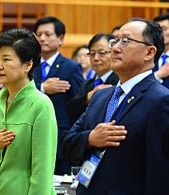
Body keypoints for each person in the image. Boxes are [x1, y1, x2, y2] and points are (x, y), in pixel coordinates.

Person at [61, 18, 169, 194]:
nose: (116, 48)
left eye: (125, 41)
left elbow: (159, 172)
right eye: (115, 41)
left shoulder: (161, 100)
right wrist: (90, 138)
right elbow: (68, 143)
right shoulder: (101, 96)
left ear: (149, 52)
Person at [0, 28, 57, 195]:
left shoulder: (41, 105)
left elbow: (42, 172)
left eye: (6, 60)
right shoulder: (0, 99)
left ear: (28, 64)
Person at [33, 16, 84, 175]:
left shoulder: (72, 67)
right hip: (31, 134)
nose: (42, 38)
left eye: (48, 34)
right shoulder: (28, 65)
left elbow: (77, 105)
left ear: (60, 38)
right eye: (39, 34)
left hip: (59, 138)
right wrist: (42, 88)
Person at [67, 33, 119, 119]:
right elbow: (71, 110)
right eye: (92, 53)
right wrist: (88, 98)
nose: (96, 58)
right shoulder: (87, 84)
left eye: (102, 53)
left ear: (114, 53)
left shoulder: (119, 81)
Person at [153, 13, 169, 89]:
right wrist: (157, 75)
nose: (161, 34)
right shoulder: (149, 56)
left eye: (164, 29)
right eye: (158, 31)